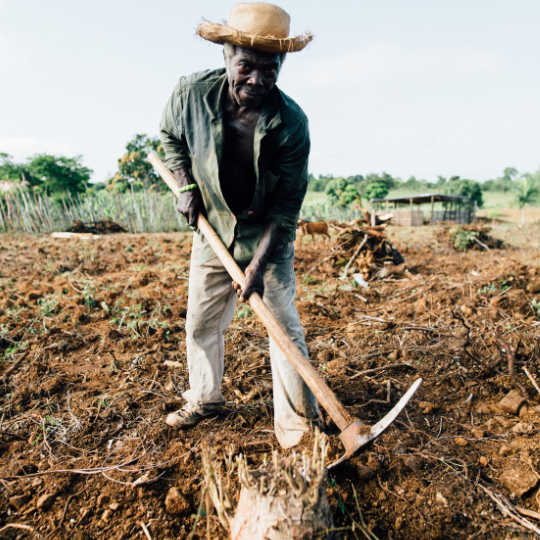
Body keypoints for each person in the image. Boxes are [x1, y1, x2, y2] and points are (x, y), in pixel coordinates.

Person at [159, 2, 318, 449]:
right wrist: (185, 184)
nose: (257, 80)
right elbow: (169, 136)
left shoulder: (291, 124)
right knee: (201, 320)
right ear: (226, 56)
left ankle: (297, 428)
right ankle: (205, 398)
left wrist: (257, 266)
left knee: (283, 327)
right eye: (246, 65)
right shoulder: (189, 94)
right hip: (213, 225)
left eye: (271, 69)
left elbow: (287, 209)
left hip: (266, 232)